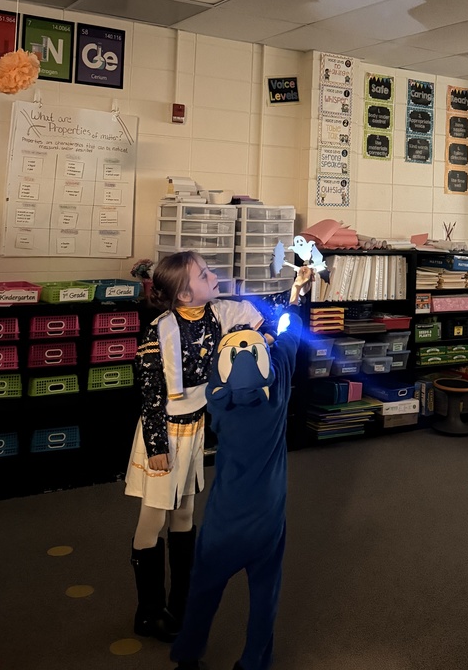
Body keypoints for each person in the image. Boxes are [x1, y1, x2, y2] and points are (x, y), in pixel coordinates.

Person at [170, 265, 313, 670]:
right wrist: (296, 296)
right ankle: (254, 662)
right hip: (267, 520)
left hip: (224, 523)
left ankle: (187, 655)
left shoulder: (218, 402)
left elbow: (226, 371)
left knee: (203, 590)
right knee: (265, 597)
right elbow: (288, 333)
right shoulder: (278, 385)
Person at [125, 251, 264, 642]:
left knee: (184, 512)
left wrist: (300, 286)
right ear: (184, 295)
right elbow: (151, 393)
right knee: (153, 516)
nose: (213, 276)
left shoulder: (218, 314)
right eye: (204, 274)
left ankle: (181, 604)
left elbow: (257, 321)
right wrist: (156, 446)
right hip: (163, 436)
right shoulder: (160, 330)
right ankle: (148, 613)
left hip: (193, 431)